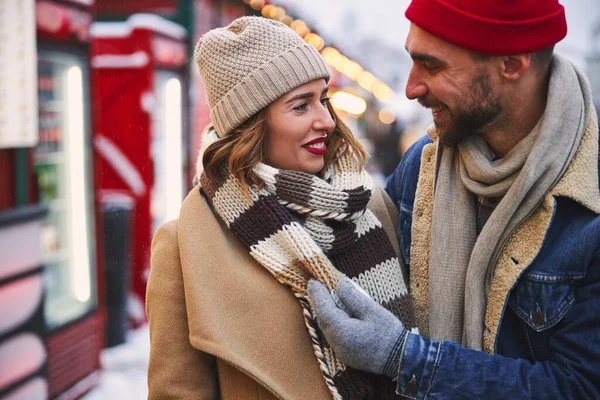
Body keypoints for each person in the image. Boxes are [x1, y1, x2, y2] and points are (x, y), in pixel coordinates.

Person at [308, 0, 600, 398]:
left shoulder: (590, 205)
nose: (411, 88)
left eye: (432, 66)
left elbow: (580, 387)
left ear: (512, 64)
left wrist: (405, 358)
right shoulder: (422, 165)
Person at [146, 16, 416, 399]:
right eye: (300, 106)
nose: (326, 121)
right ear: (251, 124)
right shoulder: (186, 244)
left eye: (324, 99)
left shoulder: (368, 204)